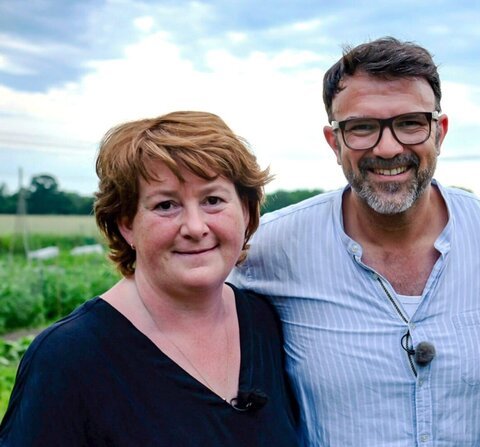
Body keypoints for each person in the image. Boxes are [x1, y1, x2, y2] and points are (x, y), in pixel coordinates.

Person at [228, 37, 480, 446]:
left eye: (410, 123)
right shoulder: (269, 250)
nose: (389, 147)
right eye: (362, 127)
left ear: (440, 131)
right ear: (334, 141)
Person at [0, 111, 298, 446]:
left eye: (213, 200)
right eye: (166, 205)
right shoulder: (69, 356)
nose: (195, 227)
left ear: (245, 211)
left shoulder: (264, 321)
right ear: (126, 224)